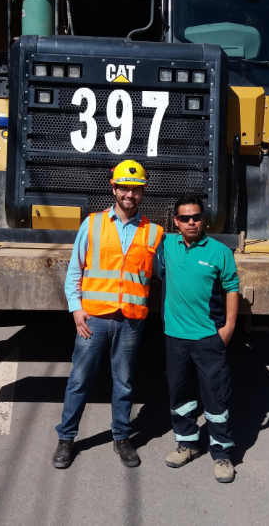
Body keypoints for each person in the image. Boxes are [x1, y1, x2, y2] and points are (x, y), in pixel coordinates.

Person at [53, 160, 163, 469]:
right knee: (79, 380)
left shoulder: (154, 233)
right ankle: (66, 438)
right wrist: (76, 309)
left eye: (136, 189)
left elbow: (165, 273)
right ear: (113, 188)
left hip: (130, 321)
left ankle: (122, 437)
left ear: (143, 193)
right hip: (93, 320)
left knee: (124, 383)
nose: (130, 194)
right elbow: (75, 270)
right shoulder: (92, 224)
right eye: (124, 188)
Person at [157, 195, 239, 483]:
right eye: (185, 218)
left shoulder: (219, 252)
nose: (191, 222)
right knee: (180, 396)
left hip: (208, 338)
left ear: (203, 219)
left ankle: (222, 453)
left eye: (196, 217)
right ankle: (188, 444)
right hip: (175, 338)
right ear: (176, 221)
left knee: (215, 397)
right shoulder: (166, 245)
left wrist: (229, 327)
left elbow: (231, 288)